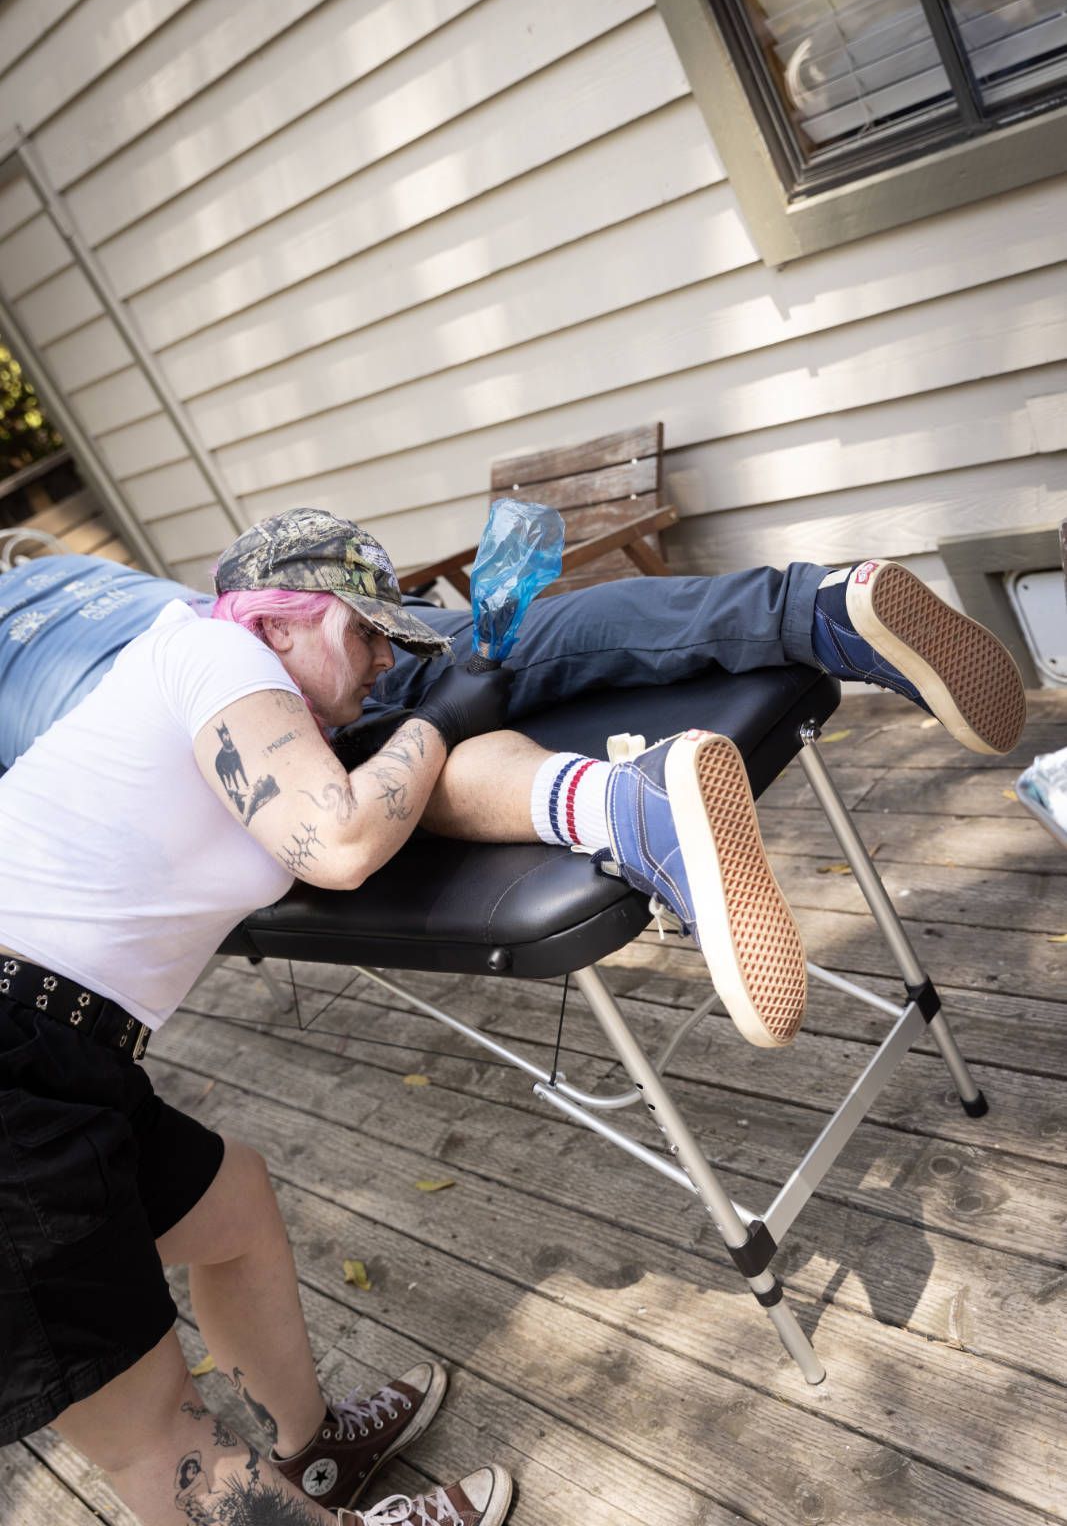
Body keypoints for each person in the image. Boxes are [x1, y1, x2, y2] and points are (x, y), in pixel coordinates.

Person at [0, 508, 1025, 1526]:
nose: (382, 660)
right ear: (272, 623)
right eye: (362, 633)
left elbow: (363, 802)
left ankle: (315, 1454)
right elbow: (341, 842)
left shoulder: (245, 702)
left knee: (234, 1209)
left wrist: (423, 734)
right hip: (14, 1069)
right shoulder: (218, 651)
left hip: (66, 1053)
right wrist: (436, 724)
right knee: (156, 1441)